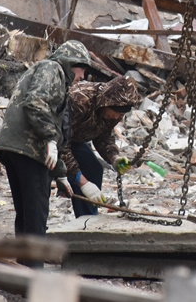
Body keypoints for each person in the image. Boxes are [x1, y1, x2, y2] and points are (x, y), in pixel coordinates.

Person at [0, 39, 91, 268]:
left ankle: (24, 268)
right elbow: (35, 102)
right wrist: (49, 139)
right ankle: (34, 273)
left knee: (26, 213)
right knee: (36, 215)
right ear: (70, 62)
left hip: (13, 148)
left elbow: (58, 130)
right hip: (28, 150)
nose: (82, 76)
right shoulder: (52, 68)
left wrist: (61, 174)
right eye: (81, 69)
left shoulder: (54, 79)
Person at [60, 74, 142, 217]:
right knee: (47, 177)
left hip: (75, 139)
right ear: (106, 103)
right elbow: (61, 143)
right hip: (51, 141)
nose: (116, 117)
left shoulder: (115, 111)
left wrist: (114, 157)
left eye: (120, 114)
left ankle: (87, 218)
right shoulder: (80, 99)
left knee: (94, 168)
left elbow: (103, 136)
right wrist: (82, 182)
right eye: (115, 112)